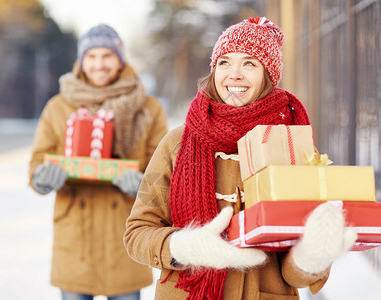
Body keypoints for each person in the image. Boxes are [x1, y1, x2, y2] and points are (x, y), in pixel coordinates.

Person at [123, 16, 357, 300]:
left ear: (268, 76)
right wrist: (183, 247)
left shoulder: (294, 146)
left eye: (249, 63)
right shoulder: (177, 142)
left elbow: (293, 273)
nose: (234, 74)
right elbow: (137, 233)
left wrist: (310, 258)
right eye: (224, 62)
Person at [28, 24, 168, 300]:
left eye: (107, 56)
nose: (99, 65)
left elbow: (165, 172)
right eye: (91, 57)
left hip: (126, 235)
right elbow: (37, 161)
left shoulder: (147, 108)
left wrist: (142, 184)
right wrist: (41, 178)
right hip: (76, 239)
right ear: (81, 61)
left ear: (120, 59)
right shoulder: (58, 106)